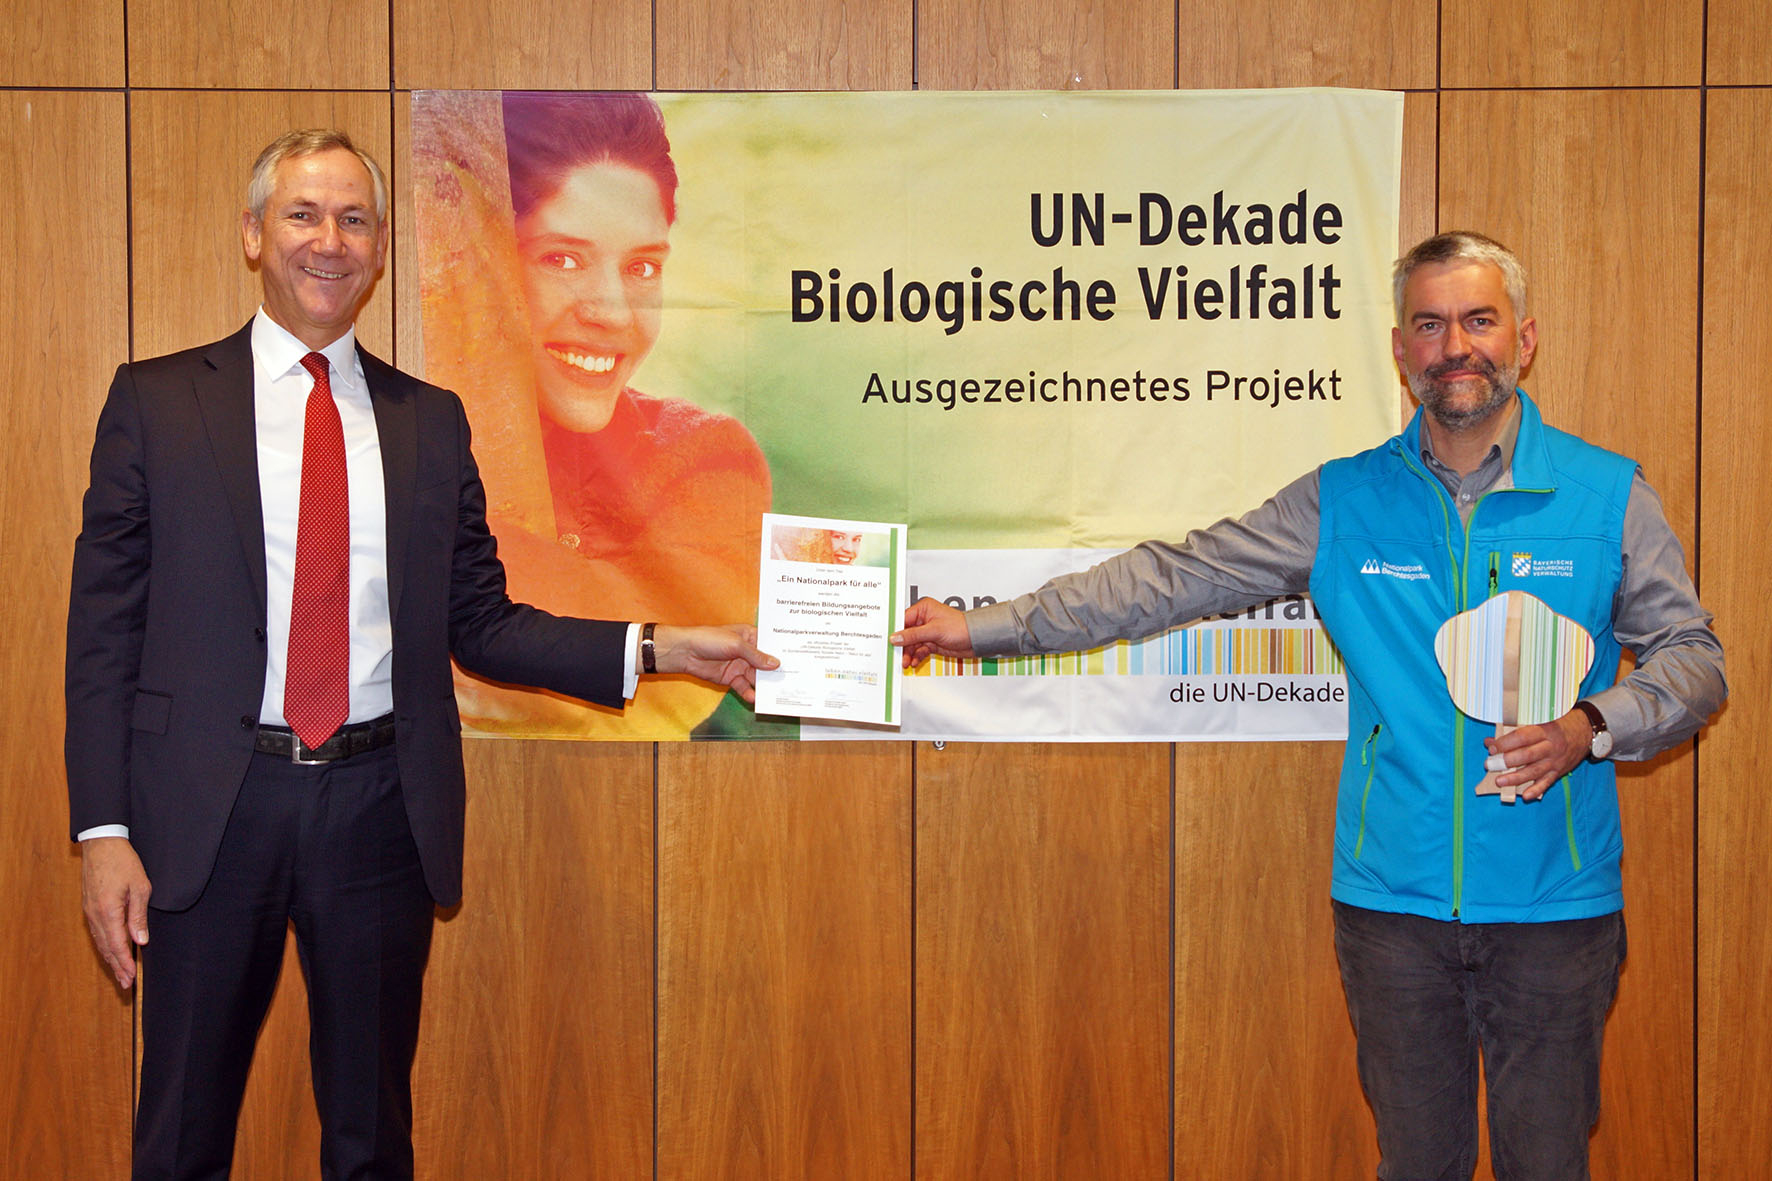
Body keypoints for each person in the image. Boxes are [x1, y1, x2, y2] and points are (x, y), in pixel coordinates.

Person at [894, 231, 1726, 1180]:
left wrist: (1592, 726)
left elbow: (1695, 659)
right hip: (1392, 911)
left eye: (1479, 320)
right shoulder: (1343, 501)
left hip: (1554, 911)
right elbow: (1174, 577)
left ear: (1524, 340)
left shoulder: (1605, 492)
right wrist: (983, 626)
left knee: (1547, 1165)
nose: (1456, 344)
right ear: (1403, 348)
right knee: (1417, 1166)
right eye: (1430, 323)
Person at [66, 128, 777, 1180]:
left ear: (382, 248)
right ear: (254, 234)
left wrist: (664, 644)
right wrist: (104, 829)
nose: (329, 240)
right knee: (179, 1134)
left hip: (376, 812)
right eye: (304, 214)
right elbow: (103, 632)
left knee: (370, 1135)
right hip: (204, 812)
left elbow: (482, 621)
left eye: (355, 219)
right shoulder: (157, 402)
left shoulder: (428, 422)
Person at [425, 91, 772, 738]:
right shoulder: (417, 436)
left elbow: (652, 704)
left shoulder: (710, 459)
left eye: (642, 266)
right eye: (562, 259)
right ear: (483, 263)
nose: (612, 310)